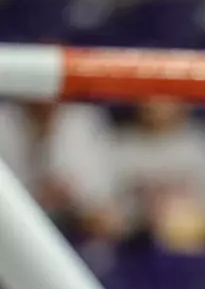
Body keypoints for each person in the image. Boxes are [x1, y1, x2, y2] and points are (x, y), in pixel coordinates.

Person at [113, 98, 205, 252]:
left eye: (163, 97)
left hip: (199, 246)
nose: (155, 105)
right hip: (134, 245)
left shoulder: (204, 144)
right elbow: (106, 215)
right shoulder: (120, 145)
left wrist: (190, 223)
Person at [0, 101, 123, 239]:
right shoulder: (4, 122)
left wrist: (74, 196)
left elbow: (102, 193)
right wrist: (39, 194)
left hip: (74, 223)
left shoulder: (82, 119)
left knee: (107, 220)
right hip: (17, 223)